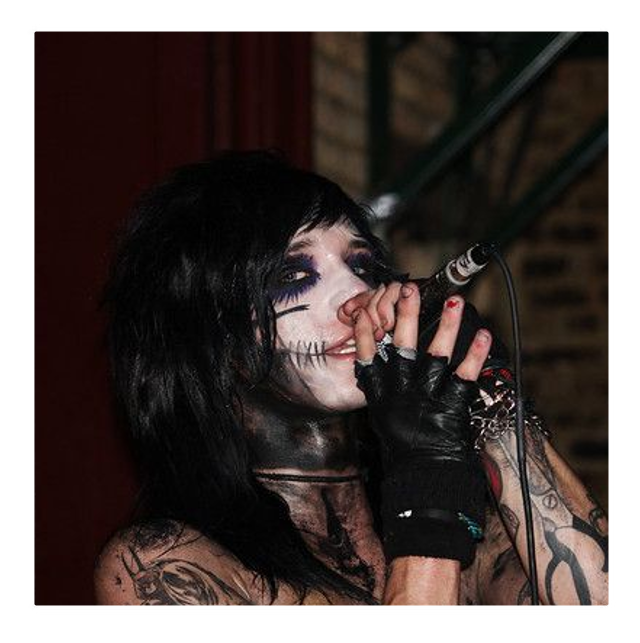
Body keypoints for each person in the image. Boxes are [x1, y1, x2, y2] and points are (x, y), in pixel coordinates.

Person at [94, 150, 608, 605]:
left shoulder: (472, 527)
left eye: (363, 264)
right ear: (211, 334)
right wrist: (425, 493)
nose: (356, 294)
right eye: (293, 275)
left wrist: (487, 395)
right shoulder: (165, 564)